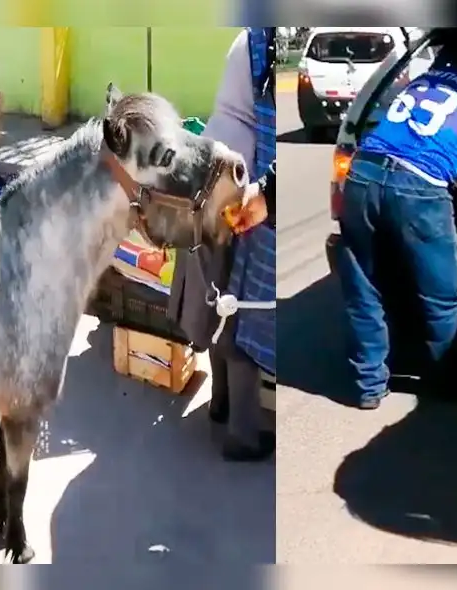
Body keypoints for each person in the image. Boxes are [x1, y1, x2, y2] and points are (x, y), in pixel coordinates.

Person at [335, 32, 457, 410]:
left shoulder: (422, 82)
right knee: (440, 297)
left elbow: (438, 143)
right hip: (418, 193)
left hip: (362, 176)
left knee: (365, 286)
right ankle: (446, 383)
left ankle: (370, 386)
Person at [174, 27, 276, 461]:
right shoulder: (273, 40)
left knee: (221, 295)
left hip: (215, 177)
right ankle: (243, 435)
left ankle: (220, 404)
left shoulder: (252, 37)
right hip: (246, 188)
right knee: (247, 313)